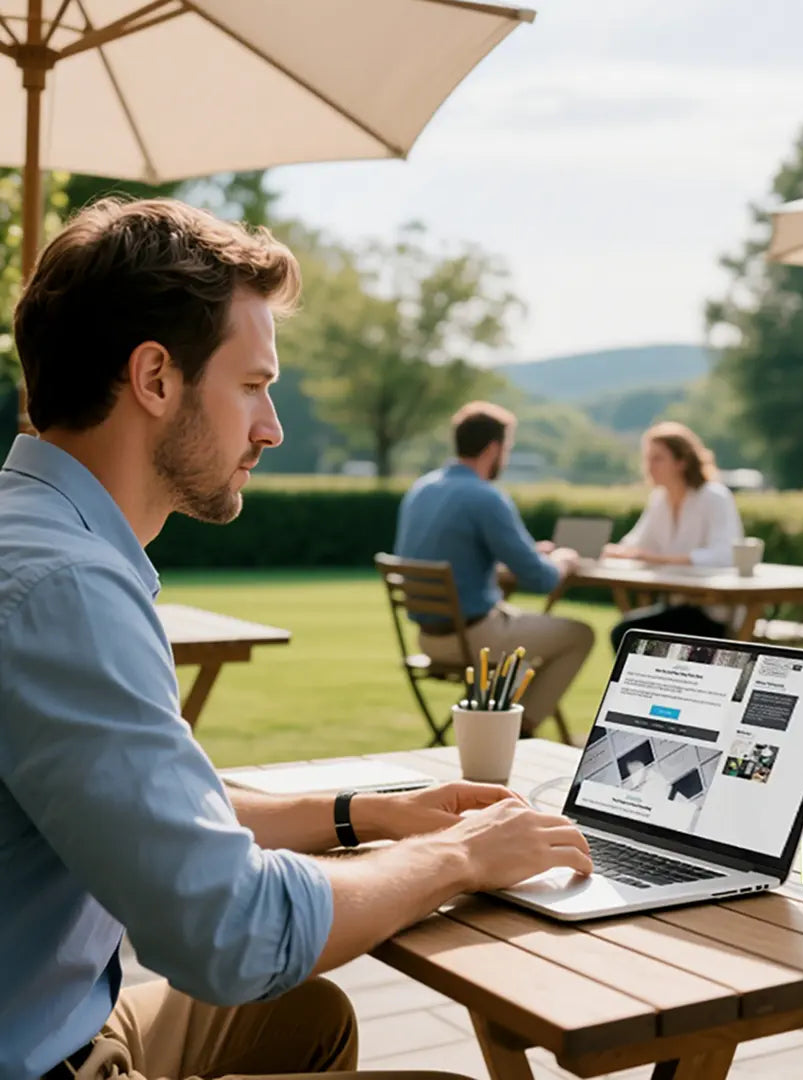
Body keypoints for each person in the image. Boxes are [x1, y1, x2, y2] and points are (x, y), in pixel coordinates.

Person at [0, 198, 593, 1080]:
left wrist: (362, 815)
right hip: (50, 1058)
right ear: (155, 379)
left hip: (62, 1013)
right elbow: (230, 932)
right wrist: (460, 855)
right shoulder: (66, 588)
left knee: (306, 1016)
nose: (271, 427)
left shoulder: (37, 535)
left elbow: (150, 813)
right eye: (253, 386)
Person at [394, 402, 595, 734]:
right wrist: (563, 560)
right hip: (474, 639)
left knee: (521, 649)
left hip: (428, 638)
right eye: (508, 449)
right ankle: (516, 730)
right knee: (579, 634)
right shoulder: (486, 497)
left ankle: (495, 720)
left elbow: (456, 554)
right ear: (493, 448)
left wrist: (528, 554)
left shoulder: (422, 489)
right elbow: (541, 578)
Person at [604, 421, 744, 651]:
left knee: (626, 635)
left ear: (682, 461)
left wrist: (660, 559)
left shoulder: (714, 497)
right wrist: (605, 551)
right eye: (647, 458)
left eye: (657, 458)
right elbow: (636, 544)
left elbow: (725, 555)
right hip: (678, 607)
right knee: (627, 634)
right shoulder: (659, 499)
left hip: (714, 614)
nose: (649, 467)